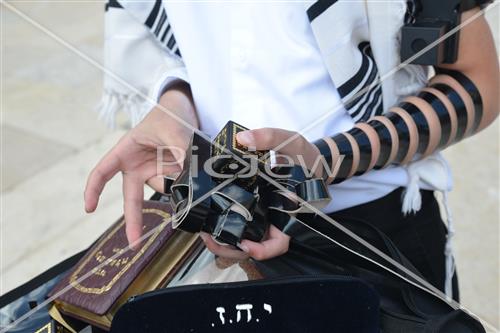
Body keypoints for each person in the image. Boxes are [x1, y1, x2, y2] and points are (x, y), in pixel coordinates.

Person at [85, 0, 499, 300]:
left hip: (374, 231)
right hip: (212, 223)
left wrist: (325, 161)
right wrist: (172, 100)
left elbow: (476, 82)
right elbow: (168, 39)